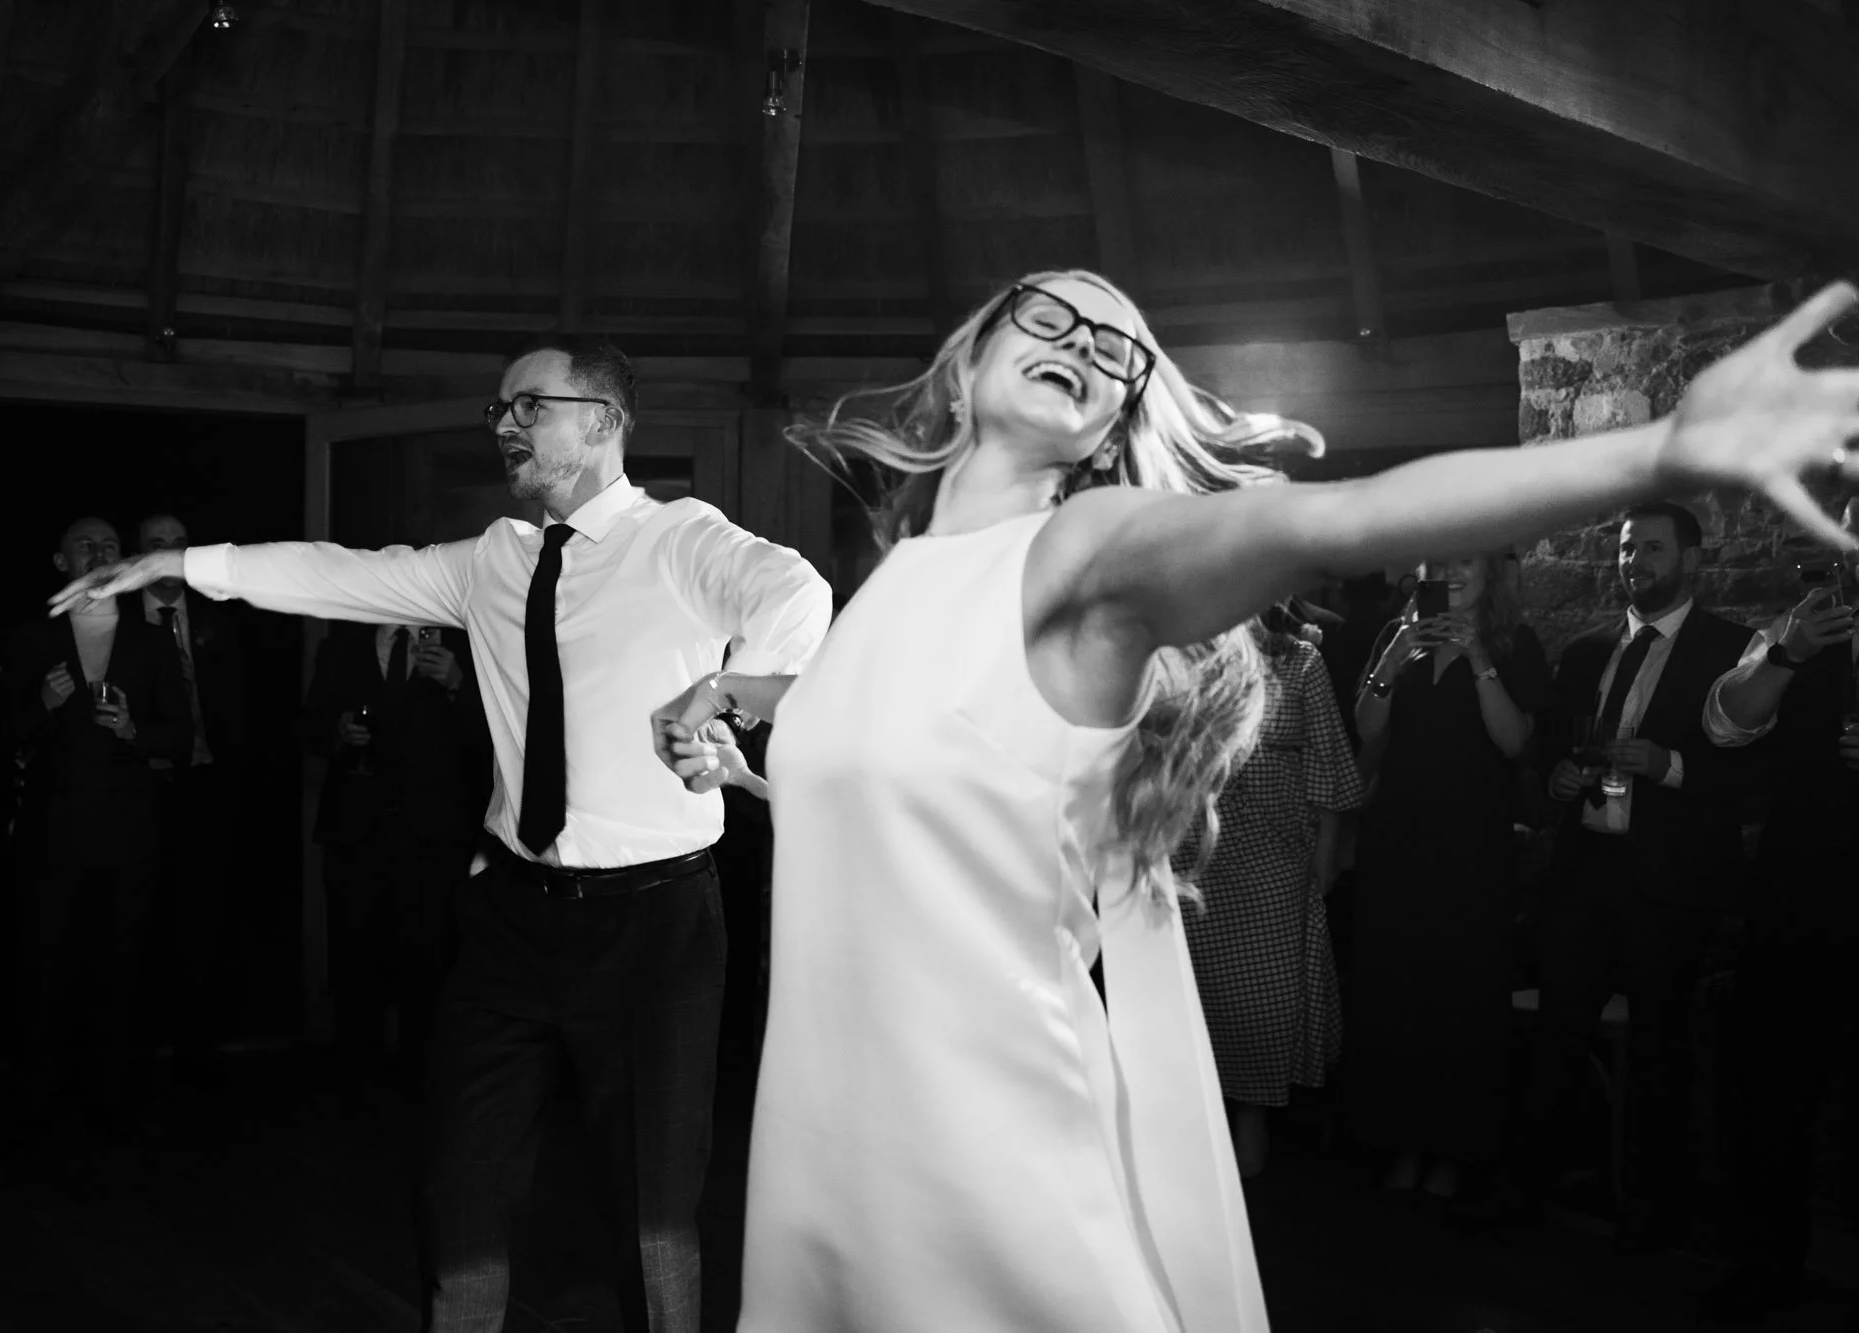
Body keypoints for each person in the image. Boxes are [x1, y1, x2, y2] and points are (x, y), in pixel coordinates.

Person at [648, 272, 1859, 1332]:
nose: (1087, 342)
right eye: (1051, 314)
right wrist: (747, 729)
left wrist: (1652, 454)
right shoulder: (894, 579)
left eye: (1120, 349)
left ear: (1116, 418)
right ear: (971, 355)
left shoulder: (1088, 549)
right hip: (824, 1128)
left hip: (977, 1130)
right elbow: (907, 768)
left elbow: (1329, 520)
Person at [47, 335, 831, 1333]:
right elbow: (339, 575)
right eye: (496, 410)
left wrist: (725, 689)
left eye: (526, 407)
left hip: (655, 924)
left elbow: (795, 591)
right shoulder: (488, 563)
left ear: (601, 422)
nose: (503, 425)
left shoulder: (678, 540)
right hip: (511, 919)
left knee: (650, 1213)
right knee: (458, 1191)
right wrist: (183, 563)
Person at [1518, 502, 1758, 1250]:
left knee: (1661, 1051)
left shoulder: (1735, 648)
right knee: (1556, 1038)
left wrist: (1669, 764)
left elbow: (1751, 783)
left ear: (1691, 560)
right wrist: (1556, 777)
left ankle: (1652, 1222)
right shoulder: (1590, 650)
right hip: (1585, 874)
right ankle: (1528, 1198)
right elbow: (1550, 748)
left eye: (1652, 548)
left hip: (1670, 885)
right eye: (1627, 548)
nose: (1634, 561)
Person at [1343, 552, 1551, 1205]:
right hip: (1397, 842)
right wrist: (1390, 661)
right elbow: (1364, 730)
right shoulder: (1394, 635)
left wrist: (1478, 659)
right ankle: (1402, 1141)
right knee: (1398, 993)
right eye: (1439, 560)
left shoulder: (1515, 642)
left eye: (1467, 561)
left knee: (1460, 1000)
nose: (1452, 571)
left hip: (1472, 847)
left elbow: (1517, 741)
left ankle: (1454, 1152)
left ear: (1492, 572)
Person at [1698, 500, 1859, 1321]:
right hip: (1796, 896)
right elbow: (1726, 720)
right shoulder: (1792, 629)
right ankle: (1766, 1272)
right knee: (1771, 1100)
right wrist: (1790, 654)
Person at [5, 516, 192, 1136]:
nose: (100, 552)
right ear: (61, 562)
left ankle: (114, 1101)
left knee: (122, 965)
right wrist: (45, 706)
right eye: (86, 544)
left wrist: (136, 731)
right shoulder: (33, 638)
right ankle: (40, 1100)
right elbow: (2, 736)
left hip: (128, 829)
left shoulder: (152, 641)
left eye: (111, 545)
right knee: (47, 965)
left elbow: (182, 736)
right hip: (52, 829)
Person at [1174, 604, 1364, 1180]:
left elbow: (1331, 766)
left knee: (1263, 1002)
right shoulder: (1183, 656)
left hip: (1275, 857)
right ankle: (1198, 1122)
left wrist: (1326, 859)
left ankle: (1251, 1119)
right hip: (1193, 855)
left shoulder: (1301, 660)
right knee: (1199, 996)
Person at [305, 618, 491, 1093]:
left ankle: (422, 1076)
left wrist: (458, 685)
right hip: (356, 828)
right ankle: (355, 1076)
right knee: (353, 955)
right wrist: (338, 731)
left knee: (429, 958)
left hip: (434, 833)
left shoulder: (468, 645)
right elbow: (310, 726)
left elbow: (494, 739)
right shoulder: (341, 646)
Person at [133, 512, 246, 1084]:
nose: (170, 555)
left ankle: (198, 1050)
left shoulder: (219, 618)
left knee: (203, 917)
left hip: (208, 786)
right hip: (142, 792)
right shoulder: (122, 625)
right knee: (144, 916)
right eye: (158, 546)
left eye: (179, 545)